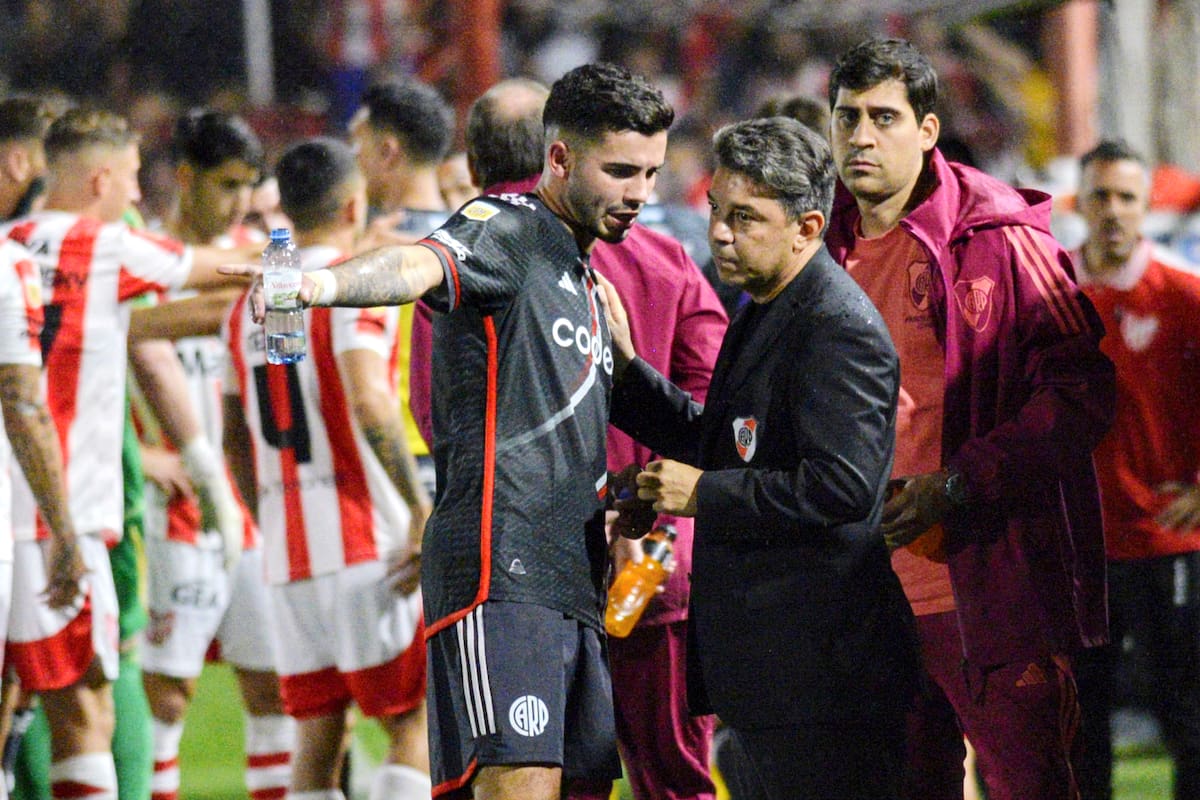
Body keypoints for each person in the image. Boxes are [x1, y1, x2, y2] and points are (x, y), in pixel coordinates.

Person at [223, 61, 674, 800]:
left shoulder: (584, 274)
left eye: (652, 174)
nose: (641, 195)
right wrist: (315, 285)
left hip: (572, 579)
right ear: (557, 158)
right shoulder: (506, 228)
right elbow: (418, 265)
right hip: (504, 569)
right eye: (623, 171)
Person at [823, 37, 1116, 800]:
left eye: (882, 117)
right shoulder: (820, 247)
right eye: (846, 117)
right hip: (865, 595)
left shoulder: (998, 236)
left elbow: (1080, 390)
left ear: (926, 130)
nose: (859, 136)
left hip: (988, 586)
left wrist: (959, 485)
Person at [604, 115, 917, 800]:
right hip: (773, 674)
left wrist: (704, 494)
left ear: (807, 227)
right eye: (717, 211)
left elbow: (842, 488)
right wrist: (627, 374)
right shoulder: (766, 303)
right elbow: (723, 439)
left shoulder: (836, 327)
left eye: (745, 218)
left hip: (823, 679)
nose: (719, 231)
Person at [459, 77, 728, 800]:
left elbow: (447, 416)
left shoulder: (478, 253)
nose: (638, 191)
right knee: (676, 776)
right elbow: (713, 406)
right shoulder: (667, 262)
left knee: (545, 775)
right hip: (656, 557)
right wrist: (654, 497)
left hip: (527, 570)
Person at [1, 107, 253, 800]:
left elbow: (132, 327)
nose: (139, 197)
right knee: (86, 712)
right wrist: (307, 259)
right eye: (134, 180)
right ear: (102, 179)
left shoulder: (9, 246)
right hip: (65, 518)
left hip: (9, 513)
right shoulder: (102, 246)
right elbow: (222, 269)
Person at [223, 137, 432, 800]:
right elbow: (370, 398)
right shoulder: (351, 285)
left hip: (289, 550)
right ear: (352, 204)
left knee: (316, 737)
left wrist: (271, 516)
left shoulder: (251, 304)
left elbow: (234, 436)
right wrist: (420, 508)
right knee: (418, 717)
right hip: (367, 539)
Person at [132, 108, 293, 800]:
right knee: (168, 696)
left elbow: (287, 357)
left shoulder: (263, 252)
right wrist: (140, 454)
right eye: (225, 184)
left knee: (274, 688)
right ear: (187, 177)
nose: (236, 201)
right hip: (175, 508)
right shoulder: (141, 258)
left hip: (254, 503)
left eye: (246, 185)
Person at [1070, 139, 1200, 800]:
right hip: (1078, 547)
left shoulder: (1185, 293)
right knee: (1080, 725)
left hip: (1168, 543)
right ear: (1081, 204)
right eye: (1101, 196)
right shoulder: (1049, 297)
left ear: (1147, 204)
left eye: (1126, 197)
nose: (1114, 210)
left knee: (1189, 718)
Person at [347, 77, 455, 495]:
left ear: (387, 151)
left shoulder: (370, 250)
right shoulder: (471, 235)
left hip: (398, 458)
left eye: (358, 147)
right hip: (463, 456)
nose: (352, 162)